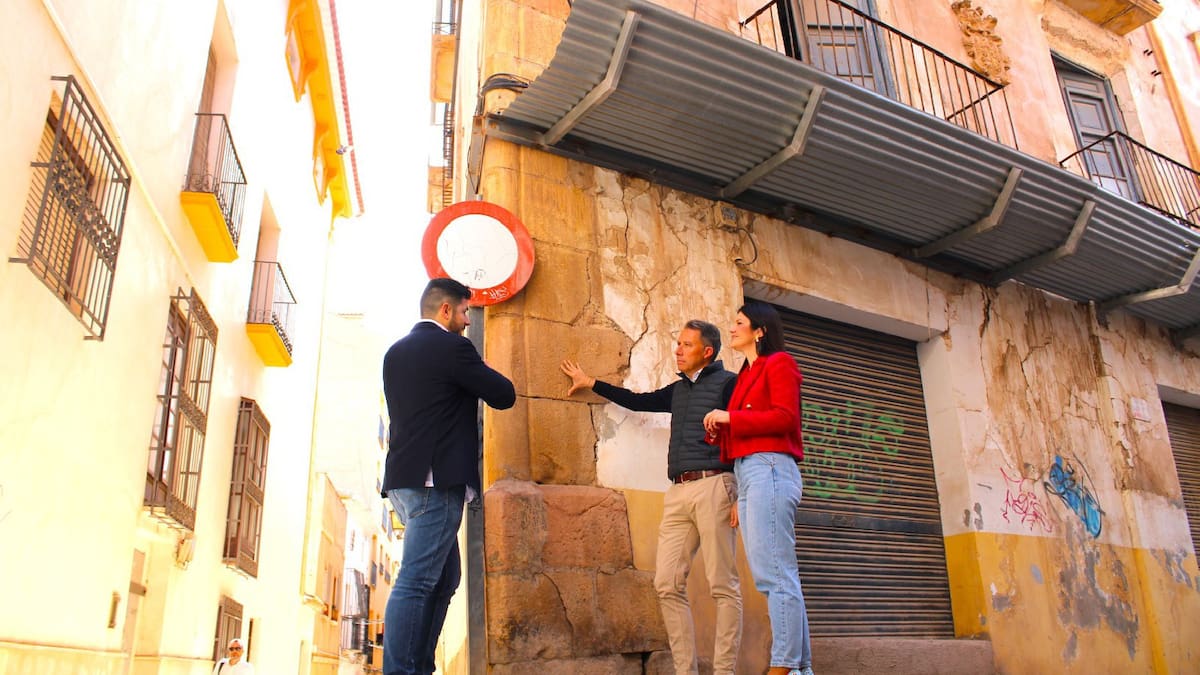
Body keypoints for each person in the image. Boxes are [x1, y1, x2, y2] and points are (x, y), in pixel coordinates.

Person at [561, 320, 741, 675]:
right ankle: (685, 670)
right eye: (678, 343)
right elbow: (639, 401)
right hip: (677, 491)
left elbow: (746, 436)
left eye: (686, 345)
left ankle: (724, 671)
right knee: (667, 583)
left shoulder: (729, 384)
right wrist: (591, 382)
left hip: (715, 486)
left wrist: (742, 493)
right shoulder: (679, 390)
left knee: (723, 584)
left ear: (707, 352)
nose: (678, 349)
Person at [381, 277, 516, 675]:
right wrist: (474, 365)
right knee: (418, 580)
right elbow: (503, 394)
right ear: (445, 311)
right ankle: (404, 670)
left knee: (446, 577)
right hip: (434, 483)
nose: (467, 321)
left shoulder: (395, 352)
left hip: (404, 483)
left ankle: (418, 664)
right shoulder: (454, 348)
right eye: (463, 312)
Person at [702, 302, 813, 675]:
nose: (731, 329)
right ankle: (799, 668)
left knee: (775, 574)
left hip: (771, 468)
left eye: (738, 323)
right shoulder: (746, 373)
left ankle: (783, 666)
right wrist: (722, 428)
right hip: (750, 474)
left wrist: (731, 417)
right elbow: (747, 424)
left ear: (759, 330)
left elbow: (785, 418)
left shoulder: (779, 363)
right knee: (775, 575)